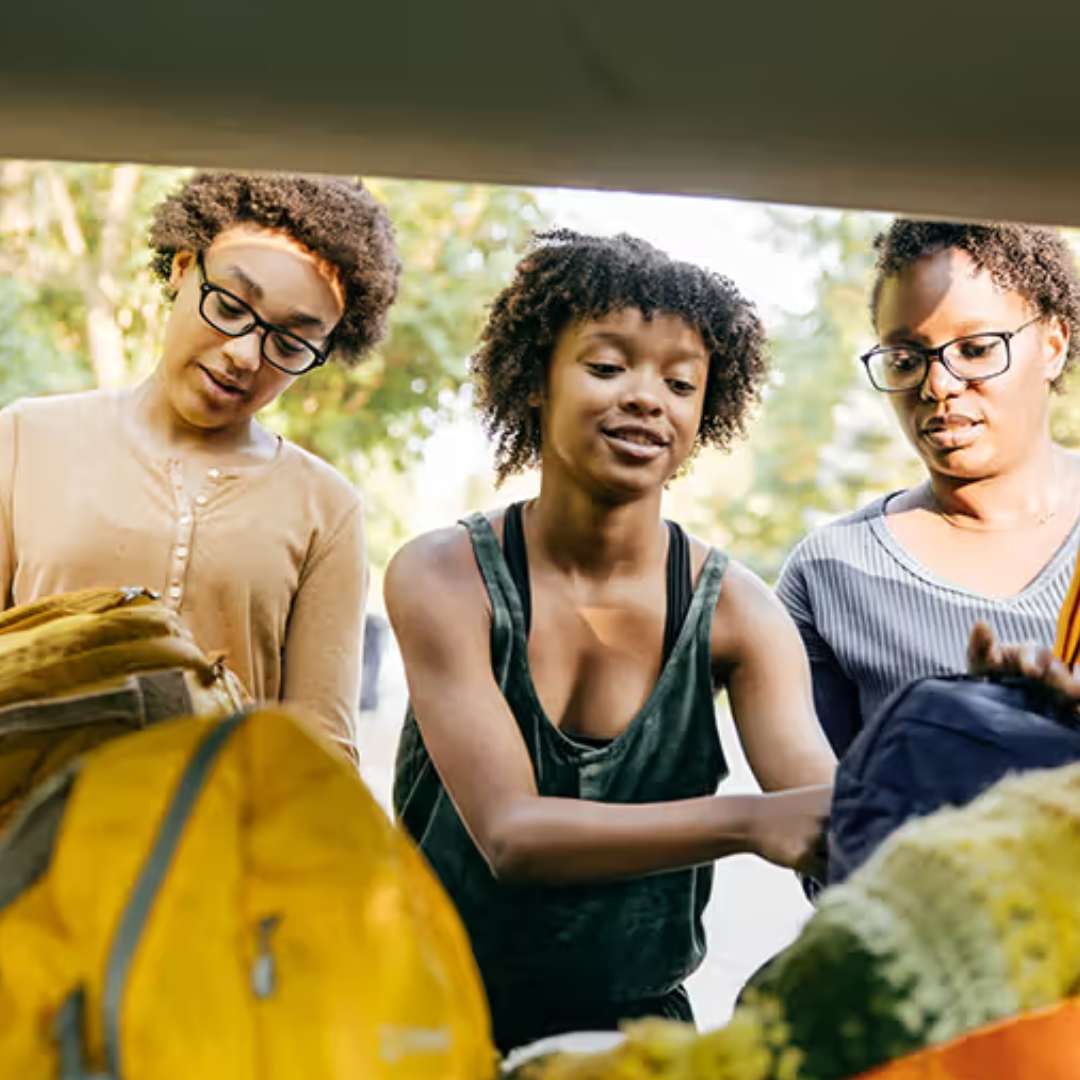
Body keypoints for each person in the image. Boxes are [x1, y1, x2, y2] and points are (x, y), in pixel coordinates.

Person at [387, 230, 836, 1054]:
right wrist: (745, 821)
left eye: (680, 382)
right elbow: (512, 835)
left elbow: (822, 811)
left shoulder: (738, 612)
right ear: (535, 383)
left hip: (634, 1042)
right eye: (606, 367)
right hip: (426, 1026)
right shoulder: (444, 576)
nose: (647, 398)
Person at [0, 171, 400, 760]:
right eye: (232, 306)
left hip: (218, 842)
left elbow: (321, 754)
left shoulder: (327, 509)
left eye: (290, 343)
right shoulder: (25, 437)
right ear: (184, 267)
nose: (244, 354)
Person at [777, 221, 1080, 758]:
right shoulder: (828, 576)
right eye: (905, 359)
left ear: (1052, 345)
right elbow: (828, 820)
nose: (937, 384)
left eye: (977, 349)